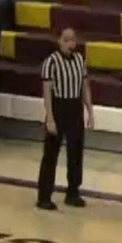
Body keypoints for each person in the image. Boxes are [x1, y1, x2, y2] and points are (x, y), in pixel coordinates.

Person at [37, 27, 93, 211]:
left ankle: (73, 191)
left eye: (73, 40)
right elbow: (47, 93)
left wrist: (90, 112)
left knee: (76, 152)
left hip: (75, 108)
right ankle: (44, 196)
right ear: (59, 41)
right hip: (58, 107)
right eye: (66, 40)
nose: (70, 44)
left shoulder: (79, 60)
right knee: (51, 154)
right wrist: (50, 118)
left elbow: (84, 87)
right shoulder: (51, 62)